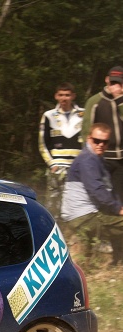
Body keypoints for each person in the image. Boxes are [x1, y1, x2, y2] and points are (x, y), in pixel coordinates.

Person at [60, 123, 123, 264]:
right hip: (84, 216)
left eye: (105, 142)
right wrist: (118, 209)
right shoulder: (88, 160)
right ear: (89, 139)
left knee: (83, 260)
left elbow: (107, 190)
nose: (100, 144)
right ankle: (116, 261)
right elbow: (97, 190)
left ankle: (116, 261)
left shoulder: (95, 159)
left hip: (82, 215)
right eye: (96, 141)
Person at [38, 82, 83, 218]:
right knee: (52, 207)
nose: (64, 98)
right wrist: (52, 164)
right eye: (61, 95)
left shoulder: (83, 114)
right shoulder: (49, 115)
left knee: (76, 206)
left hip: (77, 168)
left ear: (73, 96)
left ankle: (72, 230)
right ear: (56, 96)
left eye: (67, 95)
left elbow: (89, 141)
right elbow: (42, 143)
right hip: (57, 169)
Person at [81, 66, 123, 200]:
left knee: (120, 198)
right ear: (106, 80)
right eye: (113, 82)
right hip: (102, 157)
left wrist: (119, 100)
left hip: (121, 159)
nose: (115, 86)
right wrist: (89, 157)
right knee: (102, 196)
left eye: (119, 83)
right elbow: (86, 131)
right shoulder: (94, 101)